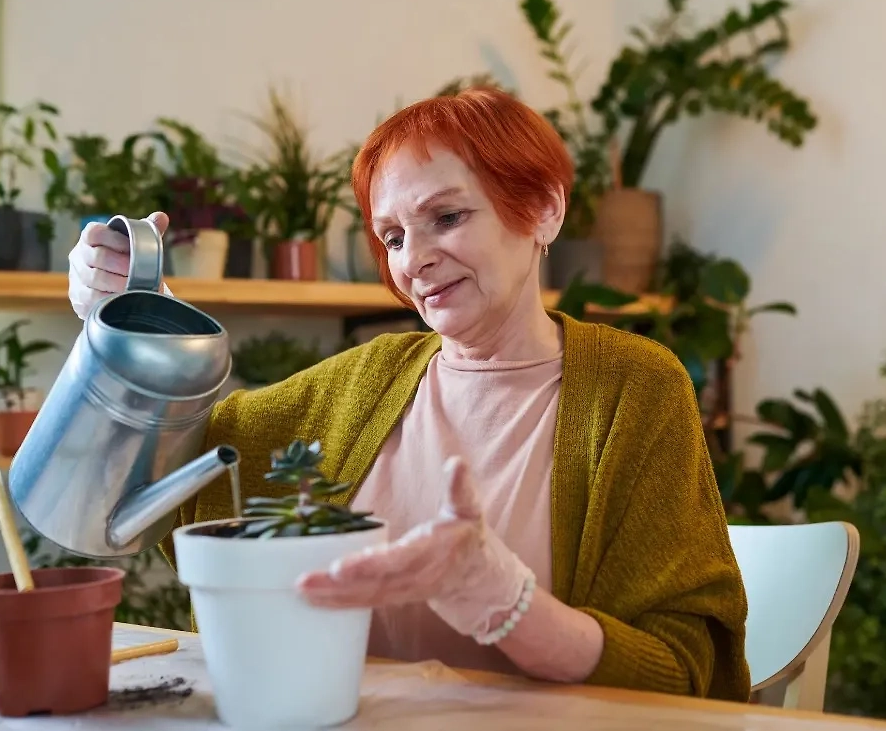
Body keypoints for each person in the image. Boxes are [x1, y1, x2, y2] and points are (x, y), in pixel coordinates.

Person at [67, 86, 751, 701]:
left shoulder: (633, 388)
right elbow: (164, 474)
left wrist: (504, 602)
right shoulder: (363, 382)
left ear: (544, 210)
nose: (412, 260)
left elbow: (683, 670)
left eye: (446, 217)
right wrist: (131, 327)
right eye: (392, 236)